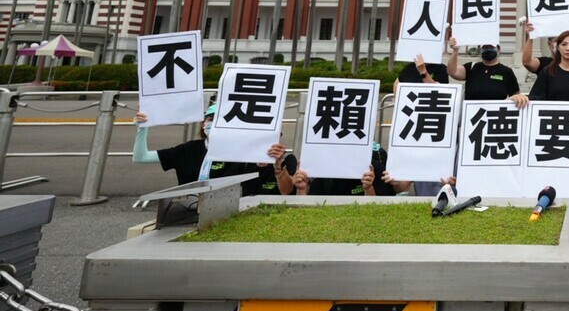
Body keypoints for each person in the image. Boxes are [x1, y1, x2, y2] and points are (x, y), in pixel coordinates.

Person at [133, 106, 294, 194]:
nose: (214, 124)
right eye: (211, 119)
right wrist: (142, 128)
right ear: (204, 124)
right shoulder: (188, 149)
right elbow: (142, 157)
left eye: (220, 120)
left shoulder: (237, 153)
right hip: (184, 211)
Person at [291, 143, 396, 197]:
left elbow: (378, 211)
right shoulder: (323, 171)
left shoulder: (373, 168)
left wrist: (368, 188)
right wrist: (301, 189)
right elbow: (306, 213)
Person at [446, 36, 524, 101]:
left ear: (499, 49)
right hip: (472, 115)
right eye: (485, 48)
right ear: (481, 50)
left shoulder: (506, 71)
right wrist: (455, 51)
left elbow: (516, 95)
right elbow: (453, 72)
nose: (488, 50)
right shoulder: (471, 67)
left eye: (491, 47)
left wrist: (515, 98)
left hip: (496, 116)